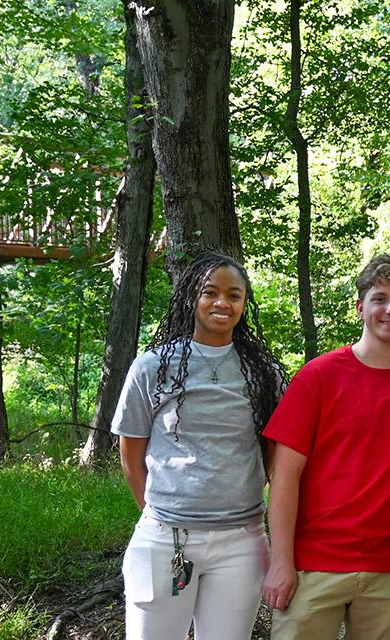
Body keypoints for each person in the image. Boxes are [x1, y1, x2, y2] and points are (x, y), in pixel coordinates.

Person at [263, 254, 390, 639]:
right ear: (360, 306)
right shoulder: (319, 377)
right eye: (380, 297)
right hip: (312, 564)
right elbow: (283, 476)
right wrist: (280, 560)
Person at [113, 252, 287, 640]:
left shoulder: (265, 372)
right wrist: (162, 514)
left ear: (245, 303)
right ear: (191, 297)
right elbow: (131, 453)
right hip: (164, 540)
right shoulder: (152, 367)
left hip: (242, 542)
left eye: (234, 295)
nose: (222, 303)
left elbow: (277, 458)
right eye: (210, 292)